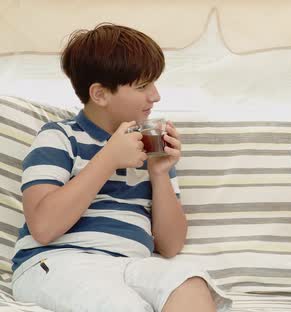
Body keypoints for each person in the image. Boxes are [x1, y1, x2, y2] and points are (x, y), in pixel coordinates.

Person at [11, 23, 226, 312]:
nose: (156, 96)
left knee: (189, 281)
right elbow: (44, 227)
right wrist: (109, 158)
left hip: (130, 264)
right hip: (56, 261)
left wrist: (160, 173)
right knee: (122, 305)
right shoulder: (59, 137)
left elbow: (171, 245)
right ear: (100, 95)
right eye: (142, 86)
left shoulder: (150, 149)